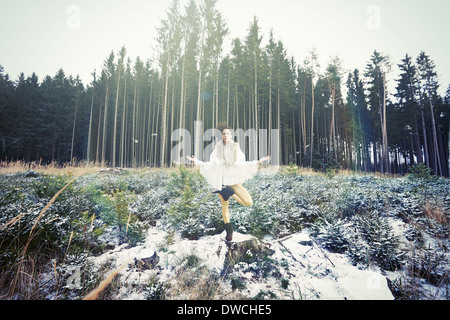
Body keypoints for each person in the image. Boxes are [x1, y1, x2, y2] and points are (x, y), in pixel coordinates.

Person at [187, 124, 270, 241]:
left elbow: (242, 163)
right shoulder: (217, 148)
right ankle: (229, 232)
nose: (225, 135)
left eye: (228, 133)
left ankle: (230, 193)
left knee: (248, 202)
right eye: (223, 134)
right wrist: (197, 161)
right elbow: (211, 164)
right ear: (221, 135)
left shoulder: (236, 148)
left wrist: (257, 162)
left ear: (231, 135)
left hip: (233, 182)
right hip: (221, 183)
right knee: (224, 207)